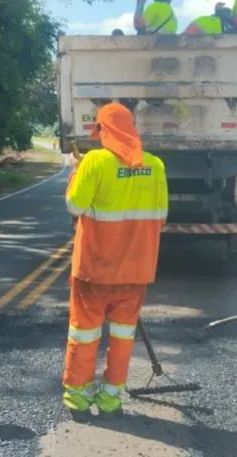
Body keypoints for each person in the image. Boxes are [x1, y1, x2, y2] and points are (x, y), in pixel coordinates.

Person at [62, 101, 168, 420]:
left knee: (84, 334)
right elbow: (161, 217)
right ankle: (110, 399)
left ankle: (79, 399)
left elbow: (74, 206)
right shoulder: (156, 165)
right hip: (136, 272)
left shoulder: (95, 161)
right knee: (123, 337)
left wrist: (76, 171)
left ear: (103, 130)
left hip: (95, 270)